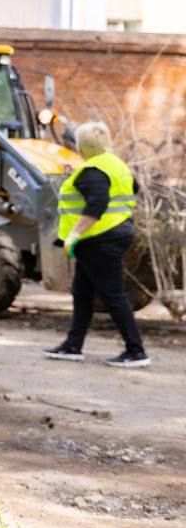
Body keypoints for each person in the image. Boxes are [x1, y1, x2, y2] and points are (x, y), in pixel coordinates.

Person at [44, 121, 150, 367]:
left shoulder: (93, 170)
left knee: (113, 294)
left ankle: (136, 351)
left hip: (100, 238)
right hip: (111, 235)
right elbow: (133, 188)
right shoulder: (116, 164)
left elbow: (97, 206)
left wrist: (73, 235)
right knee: (82, 292)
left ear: (82, 146)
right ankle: (73, 345)